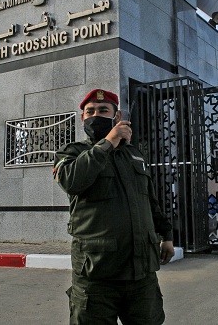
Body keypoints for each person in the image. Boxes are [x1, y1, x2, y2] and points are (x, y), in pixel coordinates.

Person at [53, 88, 175, 324]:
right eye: (90, 111)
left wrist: (166, 234)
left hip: (141, 274)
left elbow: (149, 200)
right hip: (96, 274)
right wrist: (108, 142)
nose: (95, 115)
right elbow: (72, 181)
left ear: (116, 117)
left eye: (103, 110)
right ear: (82, 119)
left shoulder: (134, 155)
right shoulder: (72, 153)